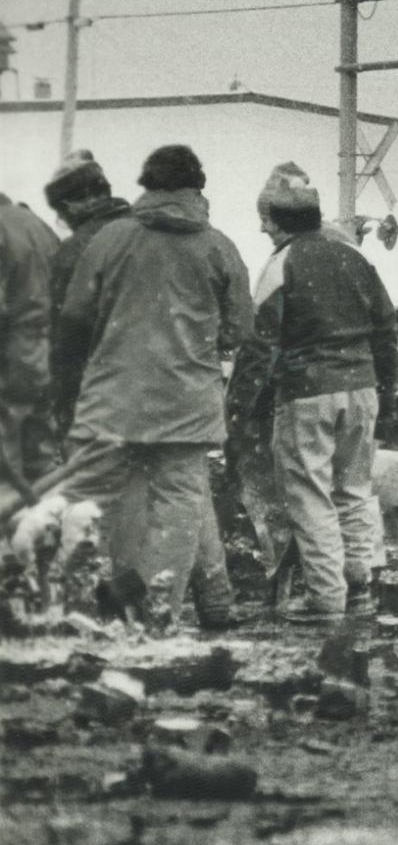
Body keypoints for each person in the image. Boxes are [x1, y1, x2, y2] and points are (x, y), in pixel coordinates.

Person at [57, 146, 252, 629]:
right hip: (186, 402)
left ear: (145, 185)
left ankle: (94, 606)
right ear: (197, 189)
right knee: (180, 505)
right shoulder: (219, 246)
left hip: (114, 397)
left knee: (112, 502)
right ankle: (155, 611)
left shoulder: (111, 239)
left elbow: (76, 318)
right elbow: (240, 330)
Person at [229, 162, 398, 623]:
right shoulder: (356, 260)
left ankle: (326, 599)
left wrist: (239, 412)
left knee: (310, 496)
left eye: (267, 223)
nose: (264, 230)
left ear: (277, 223)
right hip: (363, 389)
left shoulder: (281, 264)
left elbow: (258, 347)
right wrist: (388, 399)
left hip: (306, 393)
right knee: (354, 492)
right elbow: (387, 332)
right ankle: (361, 591)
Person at [42, 152, 133, 435]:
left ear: (72, 206)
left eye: (61, 213)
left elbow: (62, 333)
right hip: (163, 396)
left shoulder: (75, 251)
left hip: (95, 398)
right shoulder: (153, 233)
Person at [0, 191, 56, 504]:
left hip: (10, 357)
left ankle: (6, 547)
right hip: (44, 354)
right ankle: (41, 534)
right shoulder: (38, 225)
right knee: (40, 453)